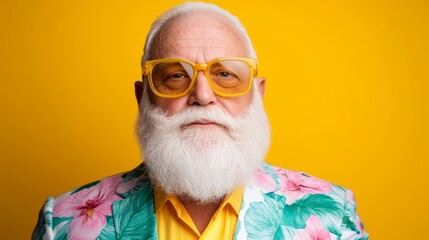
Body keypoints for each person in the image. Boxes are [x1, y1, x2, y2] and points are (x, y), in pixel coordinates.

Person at [32, 2, 368, 239]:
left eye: (226, 74)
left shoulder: (332, 215)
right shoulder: (62, 222)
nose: (203, 95)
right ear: (143, 96)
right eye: (176, 75)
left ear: (258, 94)